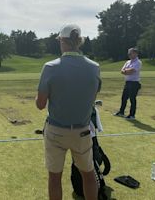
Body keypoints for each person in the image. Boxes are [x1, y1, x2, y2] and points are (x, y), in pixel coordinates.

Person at [36, 24, 101, 200]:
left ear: (62, 41)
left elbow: (40, 104)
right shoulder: (94, 67)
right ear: (79, 42)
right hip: (83, 131)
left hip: (56, 131)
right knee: (88, 174)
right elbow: (92, 97)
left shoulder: (50, 67)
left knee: (55, 177)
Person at [113, 48, 142, 120]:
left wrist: (126, 71)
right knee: (124, 98)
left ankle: (132, 115)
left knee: (132, 99)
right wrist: (126, 71)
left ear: (135, 53)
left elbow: (132, 71)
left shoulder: (138, 62)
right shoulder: (128, 62)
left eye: (131, 53)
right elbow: (122, 71)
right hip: (127, 82)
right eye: (129, 53)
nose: (129, 55)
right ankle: (121, 112)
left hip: (134, 83)